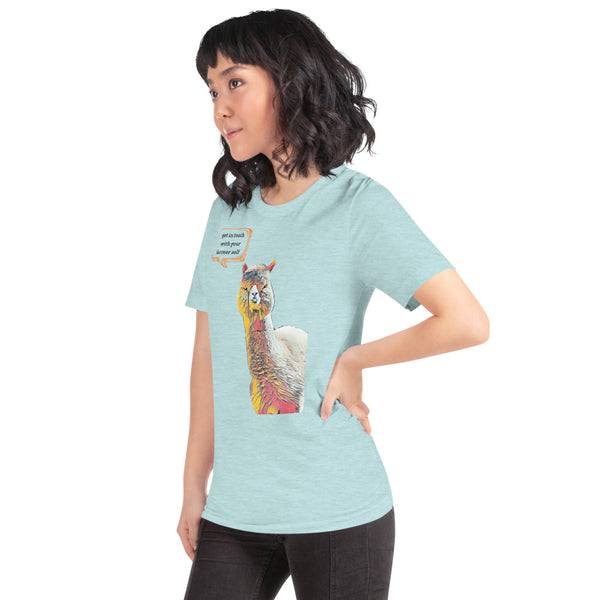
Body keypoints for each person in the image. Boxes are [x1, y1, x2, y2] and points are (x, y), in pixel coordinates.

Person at [177, 8, 489, 600]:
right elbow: (208, 355)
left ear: (289, 80)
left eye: (235, 83)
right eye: (212, 90)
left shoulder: (358, 206)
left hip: (338, 506)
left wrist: (355, 360)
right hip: (237, 510)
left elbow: (467, 321)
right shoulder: (228, 213)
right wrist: (195, 485)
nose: (219, 108)